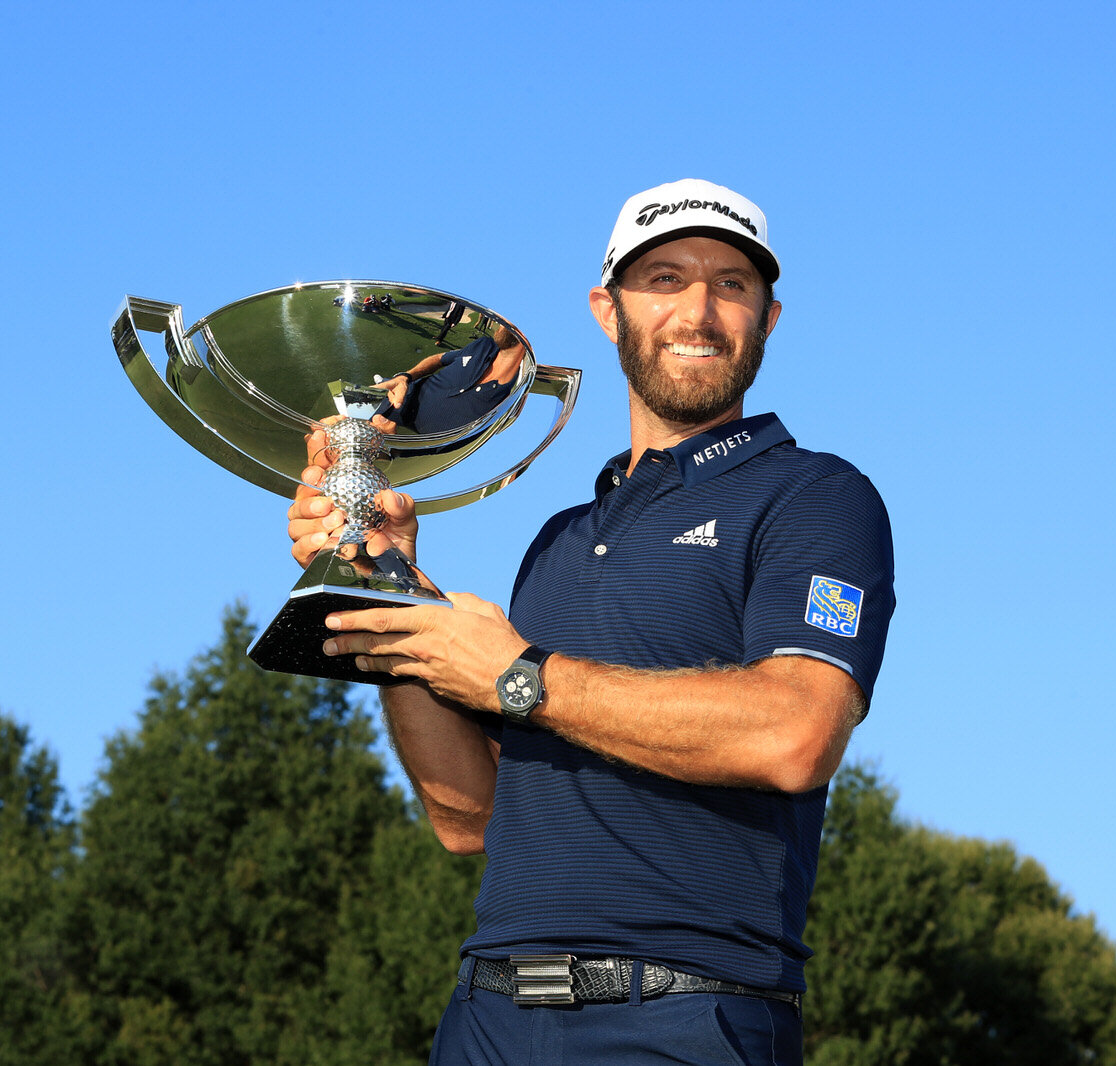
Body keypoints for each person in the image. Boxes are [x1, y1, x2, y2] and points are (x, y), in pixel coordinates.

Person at [287, 179, 895, 1064]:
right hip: (484, 1016)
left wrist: (513, 674)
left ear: (769, 317)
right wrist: (390, 586)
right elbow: (470, 819)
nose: (699, 309)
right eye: (664, 279)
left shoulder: (816, 496)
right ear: (608, 313)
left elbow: (796, 731)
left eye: (732, 284)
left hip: (683, 1016)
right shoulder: (558, 542)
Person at [371, 324, 525, 435]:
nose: (501, 322)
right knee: (348, 406)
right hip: (399, 395)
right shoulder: (483, 344)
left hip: (423, 442)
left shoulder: (511, 399)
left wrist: (388, 438)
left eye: (511, 319)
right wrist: (405, 377)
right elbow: (439, 358)